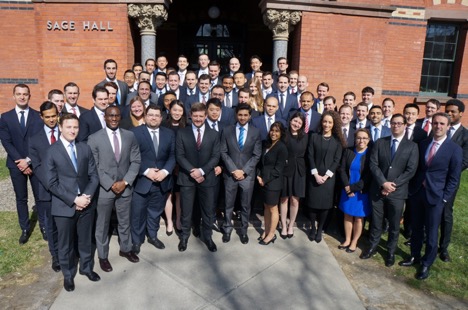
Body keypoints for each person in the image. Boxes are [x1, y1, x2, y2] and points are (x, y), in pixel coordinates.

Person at [400, 113, 462, 280]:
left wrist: (444, 198)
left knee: (432, 233)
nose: (438, 126)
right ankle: (414, 256)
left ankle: (427, 263)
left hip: (436, 197)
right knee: (416, 228)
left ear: (448, 126)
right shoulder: (423, 143)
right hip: (418, 193)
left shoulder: (454, 149)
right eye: (435, 123)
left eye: (442, 124)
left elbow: (454, 178)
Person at [44, 113, 100, 292]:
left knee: (85, 240)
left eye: (75, 127)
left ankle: (86, 268)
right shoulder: (52, 151)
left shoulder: (84, 148)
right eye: (68, 127)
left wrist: (86, 197)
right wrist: (74, 199)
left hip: (86, 203)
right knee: (66, 244)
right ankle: (68, 275)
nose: (72, 130)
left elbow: (94, 176)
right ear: (60, 127)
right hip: (64, 206)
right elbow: (51, 183)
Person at [87, 106, 141, 272]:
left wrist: (125, 182)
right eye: (110, 115)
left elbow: (136, 161)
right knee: (102, 224)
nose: (114, 118)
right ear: (105, 117)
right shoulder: (94, 138)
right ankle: (103, 256)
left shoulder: (130, 135)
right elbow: (93, 166)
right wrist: (111, 184)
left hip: (124, 187)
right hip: (105, 189)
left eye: (117, 115)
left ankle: (126, 249)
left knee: (124, 221)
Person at [360, 114, 418, 267]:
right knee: (376, 223)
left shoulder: (412, 146)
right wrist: (383, 183)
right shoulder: (380, 142)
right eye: (393, 123)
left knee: (393, 224)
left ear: (405, 125)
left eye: (399, 123)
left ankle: (390, 251)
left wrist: (392, 185)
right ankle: (372, 246)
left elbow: (410, 170)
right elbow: (373, 164)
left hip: (397, 193)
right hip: (378, 191)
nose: (396, 126)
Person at [0, 84, 43, 244]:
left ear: (29, 96)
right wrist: (20, 161)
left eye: (25, 94)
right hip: (15, 164)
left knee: (40, 197)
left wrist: (29, 160)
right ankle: (25, 228)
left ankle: (44, 226)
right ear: (14, 96)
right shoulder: (6, 117)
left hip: (34, 163)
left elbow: (39, 141)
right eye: (19, 94)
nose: (22, 97)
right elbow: (6, 141)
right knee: (21, 198)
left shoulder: (37, 116)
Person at [175, 102, 220, 252]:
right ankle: (184, 237)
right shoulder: (182, 133)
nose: (198, 119)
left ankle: (207, 236)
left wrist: (201, 171)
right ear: (190, 116)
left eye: (201, 116)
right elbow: (179, 156)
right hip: (187, 178)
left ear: (206, 116)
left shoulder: (214, 134)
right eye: (195, 116)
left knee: (207, 211)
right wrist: (192, 171)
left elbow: (215, 157)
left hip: (207, 178)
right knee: (186, 211)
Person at [220, 103, 262, 244]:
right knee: (228, 205)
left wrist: (243, 171)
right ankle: (227, 229)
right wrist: (234, 170)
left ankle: (243, 231)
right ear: (236, 115)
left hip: (247, 176)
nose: (242, 117)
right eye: (240, 114)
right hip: (230, 175)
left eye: (245, 115)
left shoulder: (255, 132)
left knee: (245, 206)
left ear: (250, 116)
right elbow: (223, 152)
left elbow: (256, 155)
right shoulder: (227, 131)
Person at [28, 101, 60, 271]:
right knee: (51, 225)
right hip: (47, 190)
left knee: (67, 224)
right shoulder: (34, 140)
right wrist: (52, 185)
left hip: (66, 188)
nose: (51, 120)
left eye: (54, 116)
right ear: (41, 117)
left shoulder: (65, 133)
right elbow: (37, 166)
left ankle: (68, 251)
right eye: (47, 117)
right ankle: (55, 256)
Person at [306, 110, 345, 243]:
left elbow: (336, 160)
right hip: (314, 176)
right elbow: (310, 155)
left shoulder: (337, 141)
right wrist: (315, 174)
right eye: (325, 121)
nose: (326, 124)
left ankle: (320, 229)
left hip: (328, 179)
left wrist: (326, 176)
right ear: (321, 122)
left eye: (329, 122)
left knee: (325, 205)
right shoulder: (314, 136)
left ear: (334, 124)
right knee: (312, 204)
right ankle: (312, 227)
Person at [439, 99, 468, 262]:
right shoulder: (439, 128)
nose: (449, 114)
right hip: (432, 181)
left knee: (445, 213)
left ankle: (443, 248)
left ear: (461, 114)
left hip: (449, 182)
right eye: (447, 111)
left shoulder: (465, 135)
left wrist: (443, 173)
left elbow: (464, 161)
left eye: (453, 112)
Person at [338, 128, 372, 253]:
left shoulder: (370, 154)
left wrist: (353, 188)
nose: (361, 140)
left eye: (364, 138)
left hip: (361, 192)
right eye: (358, 138)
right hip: (347, 189)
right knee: (347, 215)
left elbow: (368, 176)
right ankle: (347, 239)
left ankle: (354, 241)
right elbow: (341, 169)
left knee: (358, 218)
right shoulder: (348, 151)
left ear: (368, 140)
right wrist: (347, 187)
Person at [256, 121, 288, 245]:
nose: (273, 133)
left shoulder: (282, 147)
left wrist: (265, 180)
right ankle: (267, 230)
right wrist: (259, 176)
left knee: (273, 208)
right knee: (266, 206)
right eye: (272, 130)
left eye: (277, 131)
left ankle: (271, 234)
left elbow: (278, 169)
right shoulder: (266, 144)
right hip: (262, 181)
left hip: (273, 183)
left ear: (281, 133)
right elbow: (261, 162)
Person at [279, 112, 308, 239]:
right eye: (295, 121)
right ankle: (283, 225)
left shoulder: (305, 137)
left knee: (295, 200)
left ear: (302, 125)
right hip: (285, 169)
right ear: (290, 120)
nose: (296, 124)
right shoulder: (283, 134)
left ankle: (291, 225)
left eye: (299, 123)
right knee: (284, 198)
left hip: (299, 170)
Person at [163, 100, 188, 234]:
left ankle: (178, 219)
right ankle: (169, 221)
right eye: (174, 110)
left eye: (179, 110)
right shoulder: (163, 125)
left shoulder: (187, 126)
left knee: (179, 194)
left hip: (181, 166)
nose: (177, 113)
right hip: (166, 165)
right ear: (170, 110)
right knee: (168, 194)